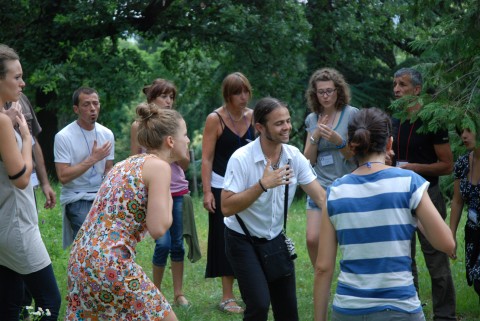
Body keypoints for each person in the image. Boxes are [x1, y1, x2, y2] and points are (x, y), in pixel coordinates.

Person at [314, 107, 456, 321]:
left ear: (352, 145)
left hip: (348, 308)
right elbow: (447, 244)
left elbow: (323, 268)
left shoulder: (334, 191)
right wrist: (416, 218)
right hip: (400, 308)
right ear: (390, 143)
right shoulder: (409, 183)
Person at [65, 104, 188, 320]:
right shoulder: (160, 167)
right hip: (109, 262)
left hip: (80, 259)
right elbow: (158, 228)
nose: (187, 140)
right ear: (170, 141)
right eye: (185, 135)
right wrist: (169, 196)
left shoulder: (126, 163)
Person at [221, 97, 326, 321]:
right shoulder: (241, 159)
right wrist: (262, 185)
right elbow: (226, 207)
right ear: (260, 127)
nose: (287, 127)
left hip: (275, 238)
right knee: (259, 305)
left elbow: (321, 197)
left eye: (288, 121)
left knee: (288, 311)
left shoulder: (293, 156)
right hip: (241, 239)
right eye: (279, 123)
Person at [0, 43, 61, 320]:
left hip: (5, 224)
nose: (22, 83)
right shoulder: (2, 122)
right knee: (50, 300)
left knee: (10, 304)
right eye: (16, 77)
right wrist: (24, 137)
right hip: (17, 226)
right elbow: (22, 179)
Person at [392, 67, 456, 320]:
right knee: (404, 259)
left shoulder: (432, 120)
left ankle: (445, 316)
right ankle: (411, 309)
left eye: (402, 85)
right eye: (395, 84)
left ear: (417, 90)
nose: (396, 89)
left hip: (428, 195)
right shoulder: (395, 118)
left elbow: (447, 165)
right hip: (399, 198)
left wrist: (413, 168)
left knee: (436, 260)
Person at [130, 79, 192, 307]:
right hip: (153, 192)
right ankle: (154, 293)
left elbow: (185, 165)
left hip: (177, 190)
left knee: (177, 244)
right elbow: (134, 160)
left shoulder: (177, 123)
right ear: (151, 99)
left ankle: (178, 293)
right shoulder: (139, 126)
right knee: (162, 243)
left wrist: (178, 146)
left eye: (171, 96)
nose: (168, 101)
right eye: (163, 96)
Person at [201, 72, 254, 313]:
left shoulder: (254, 117)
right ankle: (226, 296)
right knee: (224, 237)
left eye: (245, 91)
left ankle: (251, 290)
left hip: (249, 187)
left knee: (250, 237)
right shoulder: (215, 119)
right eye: (237, 92)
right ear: (227, 95)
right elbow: (206, 158)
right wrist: (207, 192)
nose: (243, 97)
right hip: (222, 187)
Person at [303, 68, 358, 266]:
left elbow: (353, 154)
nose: (325, 96)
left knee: (348, 240)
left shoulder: (352, 115)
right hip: (320, 185)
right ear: (315, 94)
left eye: (329, 90)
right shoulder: (312, 119)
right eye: (321, 92)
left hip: (346, 184)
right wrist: (316, 134)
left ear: (338, 91)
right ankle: (321, 275)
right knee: (312, 239)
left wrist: (338, 141)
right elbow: (308, 160)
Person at [54, 87, 115, 249]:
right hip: (76, 197)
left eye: (95, 103)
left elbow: (109, 168)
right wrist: (92, 159)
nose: (92, 108)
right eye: (86, 104)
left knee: (110, 242)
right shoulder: (63, 136)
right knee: (87, 241)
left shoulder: (107, 134)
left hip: (101, 195)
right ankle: (80, 271)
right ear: (76, 109)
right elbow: (63, 176)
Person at [450, 124, 480, 300]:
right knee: (475, 278)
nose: (464, 136)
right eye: (461, 132)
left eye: (469, 131)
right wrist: (451, 235)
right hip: (473, 231)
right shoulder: (463, 162)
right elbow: (457, 200)